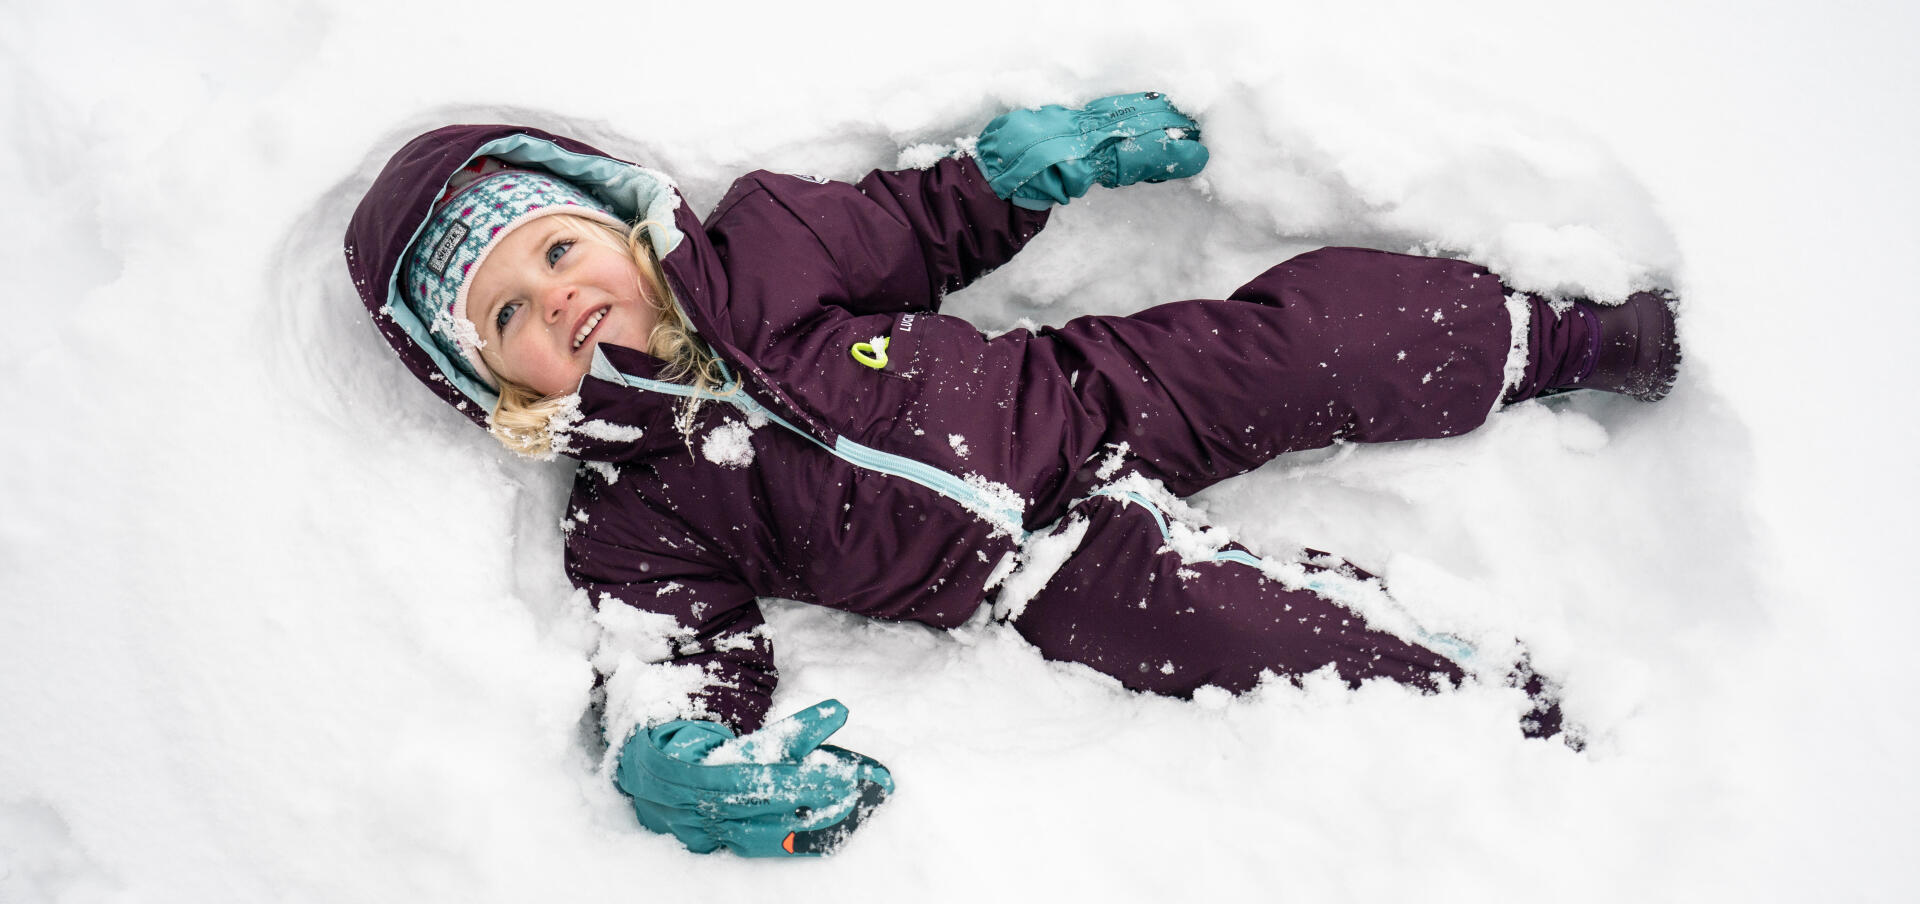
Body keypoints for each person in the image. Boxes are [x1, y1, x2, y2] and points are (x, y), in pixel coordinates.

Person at [342, 93, 1680, 858]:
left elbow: (920, 225)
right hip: (1032, 579)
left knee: (1307, 343)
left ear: (618, 222)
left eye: (558, 251)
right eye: (510, 313)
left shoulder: (767, 246)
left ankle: (1564, 337)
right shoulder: (630, 514)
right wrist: (674, 751)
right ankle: (1493, 712)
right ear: (499, 387)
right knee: (1244, 631)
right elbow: (673, 648)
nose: (557, 301)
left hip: (1085, 391)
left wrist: (1015, 171)